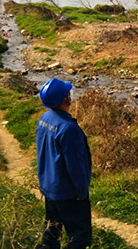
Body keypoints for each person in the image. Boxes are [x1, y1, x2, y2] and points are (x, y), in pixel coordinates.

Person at [35, 78, 92, 249]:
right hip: (68, 193)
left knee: (51, 235)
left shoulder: (44, 119)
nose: (70, 94)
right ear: (65, 99)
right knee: (79, 238)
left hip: (50, 188)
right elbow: (76, 166)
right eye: (68, 92)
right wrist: (81, 193)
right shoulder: (68, 129)